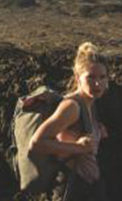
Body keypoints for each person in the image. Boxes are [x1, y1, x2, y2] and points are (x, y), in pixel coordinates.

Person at [28, 42, 109, 200]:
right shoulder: (72, 107)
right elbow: (36, 143)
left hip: (89, 188)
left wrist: (98, 130)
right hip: (72, 189)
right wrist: (78, 147)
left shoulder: (90, 104)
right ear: (77, 77)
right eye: (91, 77)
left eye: (102, 77)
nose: (98, 83)